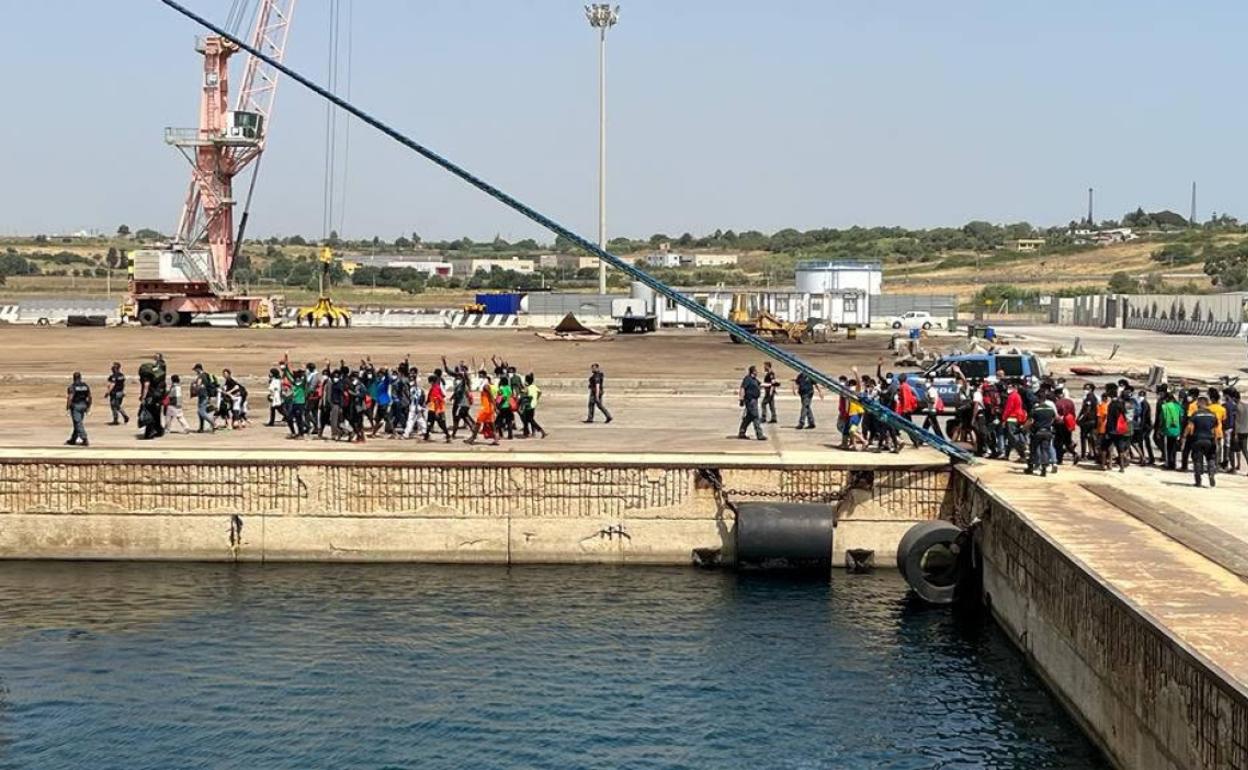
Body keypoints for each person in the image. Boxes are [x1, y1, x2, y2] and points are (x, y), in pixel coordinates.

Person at [1184, 395, 1222, 487]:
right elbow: (1216, 429)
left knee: (1197, 460)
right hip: (1210, 440)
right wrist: (1216, 440)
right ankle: (1211, 474)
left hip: (1197, 440)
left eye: (1197, 403)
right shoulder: (1213, 415)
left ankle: (1198, 481)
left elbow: (1189, 427)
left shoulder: (1195, 414)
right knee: (1210, 458)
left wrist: (1184, 437)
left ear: (1200, 403)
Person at [1023, 389, 1057, 477]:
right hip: (1047, 432)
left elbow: (1030, 421)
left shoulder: (1036, 409)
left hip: (1037, 432)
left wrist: (1024, 428)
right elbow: (1054, 419)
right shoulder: (1050, 409)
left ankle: (1030, 467)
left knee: (1033, 450)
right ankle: (1044, 469)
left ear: (1038, 399)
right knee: (1045, 450)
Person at [138, 354, 168, 440]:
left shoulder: (146, 377)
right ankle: (159, 430)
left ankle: (150, 432)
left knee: (149, 414)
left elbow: (146, 386)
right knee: (156, 414)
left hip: (151, 398)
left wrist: (143, 397)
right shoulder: (158, 377)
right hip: (159, 397)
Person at [737, 365, 766, 441]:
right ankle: (759, 434)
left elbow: (761, 385)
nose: (757, 372)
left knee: (749, 417)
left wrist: (771, 385)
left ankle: (742, 432)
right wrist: (741, 399)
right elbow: (743, 388)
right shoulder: (747, 379)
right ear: (753, 371)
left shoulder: (754, 380)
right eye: (756, 371)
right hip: (750, 401)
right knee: (755, 416)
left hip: (754, 400)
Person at [65, 371, 92, 446]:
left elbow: (70, 398)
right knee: (77, 423)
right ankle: (73, 439)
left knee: (78, 423)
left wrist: (68, 408)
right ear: (80, 377)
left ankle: (84, 438)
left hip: (76, 406)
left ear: (73, 378)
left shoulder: (72, 386)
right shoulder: (85, 386)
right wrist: (88, 406)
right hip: (84, 405)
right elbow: (89, 397)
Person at [423, 374, 452, 442]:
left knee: (438, 423)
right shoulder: (436, 387)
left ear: (432, 381)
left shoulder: (435, 388)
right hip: (437, 409)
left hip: (435, 409)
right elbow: (441, 396)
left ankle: (447, 435)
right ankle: (426, 436)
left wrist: (436, 411)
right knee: (431, 423)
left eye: (430, 381)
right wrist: (426, 403)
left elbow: (436, 399)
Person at [1159, 390, 1182, 470]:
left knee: (1168, 447)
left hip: (1167, 429)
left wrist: (1160, 429)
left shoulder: (1164, 406)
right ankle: (1173, 463)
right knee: (1174, 447)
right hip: (1176, 429)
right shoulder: (1178, 406)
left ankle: (1169, 464)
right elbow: (1181, 417)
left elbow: (1161, 419)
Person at [191, 363, 217, 433]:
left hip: (203, 396)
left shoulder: (201, 376)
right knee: (200, 412)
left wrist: (194, 386)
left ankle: (213, 424)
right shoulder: (205, 375)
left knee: (201, 412)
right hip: (204, 395)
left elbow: (198, 385)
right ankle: (201, 428)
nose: (195, 371)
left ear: (198, 369)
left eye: (195, 370)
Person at [520, 372, 547, 439]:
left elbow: (525, 395)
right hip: (533, 405)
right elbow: (540, 392)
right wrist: (537, 398)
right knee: (527, 419)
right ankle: (527, 433)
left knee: (530, 420)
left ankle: (541, 431)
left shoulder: (528, 388)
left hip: (528, 405)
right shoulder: (534, 386)